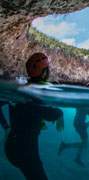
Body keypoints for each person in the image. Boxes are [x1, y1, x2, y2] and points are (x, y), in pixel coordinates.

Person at [5, 52, 64, 180]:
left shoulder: (19, 88)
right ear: (44, 72)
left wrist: (5, 126)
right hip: (25, 150)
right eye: (47, 69)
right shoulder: (40, 90)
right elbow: (50, 114)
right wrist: (60, 113)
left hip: (11, 146)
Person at [58, 82, 89, 167]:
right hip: (79, 124)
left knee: (84, 142)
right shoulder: (86, 102)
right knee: (85, 144)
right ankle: (65, 146)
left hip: (79, 123)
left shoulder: (83, 101)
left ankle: (77, 157)